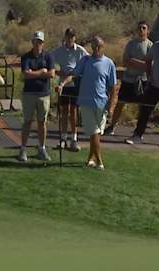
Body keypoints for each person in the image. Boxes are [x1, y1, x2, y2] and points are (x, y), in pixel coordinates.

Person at [56, 36, 117, 171]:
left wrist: (111, 107)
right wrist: (62, 84)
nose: (95, 49)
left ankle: (90, 159)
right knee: (94, 132)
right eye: (93, 46)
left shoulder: (109, 64)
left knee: (97, 134)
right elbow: (73, 74)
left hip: (102, 104)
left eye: (98, 47)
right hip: (86, 102)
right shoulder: (86, 60)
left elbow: (113, 88)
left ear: (102, 47)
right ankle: (100, 162)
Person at [105, 20, 152, 136]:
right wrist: (142, 64)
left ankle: (139, 130)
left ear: (148, 31)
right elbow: (125, 61)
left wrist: (134, 61)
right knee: (120, 103)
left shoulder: (151, 46)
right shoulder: (131, 44)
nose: (141, 30)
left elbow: (151, 65)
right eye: (139, 28)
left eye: (144, 28)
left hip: (143, 80)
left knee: (143, 106)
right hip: (128, 79)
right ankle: (112, 126)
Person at [18, 31, 55, 163]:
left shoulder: (48, 57)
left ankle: (41, 148)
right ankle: (23, 149)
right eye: (35, 41)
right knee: (27, 122)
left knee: (42, 122)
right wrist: (41, 72)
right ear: (32, 42)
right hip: (29, 93)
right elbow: (25, 75)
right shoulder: (26, 57)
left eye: (40, 42)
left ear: (43, 43)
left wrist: (34, 73)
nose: (37, 44)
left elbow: (51, 74)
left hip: (43, 94)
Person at [51, 28, 88, 151]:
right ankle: (63, 139)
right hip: (63, 84)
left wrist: (79, 72)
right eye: (68, 36)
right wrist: (57, 72)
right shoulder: (59, 51)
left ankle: (74, 139)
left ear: (75, 38)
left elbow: (88, 61)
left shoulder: (80, 50)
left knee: (73, 112)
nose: (70, 39)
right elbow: (49, 61)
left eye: (72, 36)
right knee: (64, 112)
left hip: (75, 84)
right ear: (65, 37)